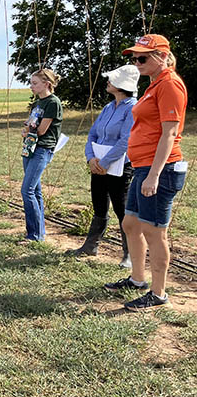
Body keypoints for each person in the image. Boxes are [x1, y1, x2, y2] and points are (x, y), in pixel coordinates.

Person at [105, 34, 188, 312]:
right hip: (143, 167)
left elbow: (170, 133)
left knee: (155, 233)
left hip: (159, 170)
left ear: (163, 56)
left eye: (142, 58)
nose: (136, 62)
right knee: (131, 224)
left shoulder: (170, 85)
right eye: (134, 58)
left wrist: (154, 175)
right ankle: (138, 278)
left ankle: (158, 292)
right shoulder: (155, 85)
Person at [67, 65, 138, 266]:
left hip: (120, 165)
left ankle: (130, 254)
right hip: (98, 164)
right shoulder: (108, 107)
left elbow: (126, 140)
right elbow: (93, 134)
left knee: (121, 208)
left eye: (112, 79)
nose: (107, 81)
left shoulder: (133, 107)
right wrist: (91, 158)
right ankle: (90, 246)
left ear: (122, 85)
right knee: (99, 204)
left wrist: (105, 162)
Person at [20, 69, 63, 242]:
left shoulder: (53, 102)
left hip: (42, 149)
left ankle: (34, 235)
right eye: (31, 83)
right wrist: (28, 129)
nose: (31, 86)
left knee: (27, 190)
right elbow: (32, 125)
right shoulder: (38, 103)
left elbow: (41, 130)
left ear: (47, 84)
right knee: (35, 191)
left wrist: (28, 130)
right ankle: (39, 232)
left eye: (35, 83)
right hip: (30, 148)